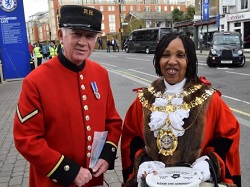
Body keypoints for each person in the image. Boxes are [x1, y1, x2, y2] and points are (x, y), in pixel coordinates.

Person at [13, 5, 122, 187]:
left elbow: (112, 121)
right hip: (53, 180)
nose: (83, 42)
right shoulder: (35, 81)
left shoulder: (100, 73)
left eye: (89, 36)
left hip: (92, 180)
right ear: (61, 35)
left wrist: (107, 154)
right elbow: (26, 139)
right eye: (76, 34)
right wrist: (69, 171)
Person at [120, 32, 241, 187]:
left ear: (188, 60)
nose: (172, 61)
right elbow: (131, 139)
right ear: (158, 59)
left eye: (180, 55)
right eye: (165, 55)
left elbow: (229, 136)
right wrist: (142, 162)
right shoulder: (143, 99)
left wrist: (210, 162)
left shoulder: (210, 99)